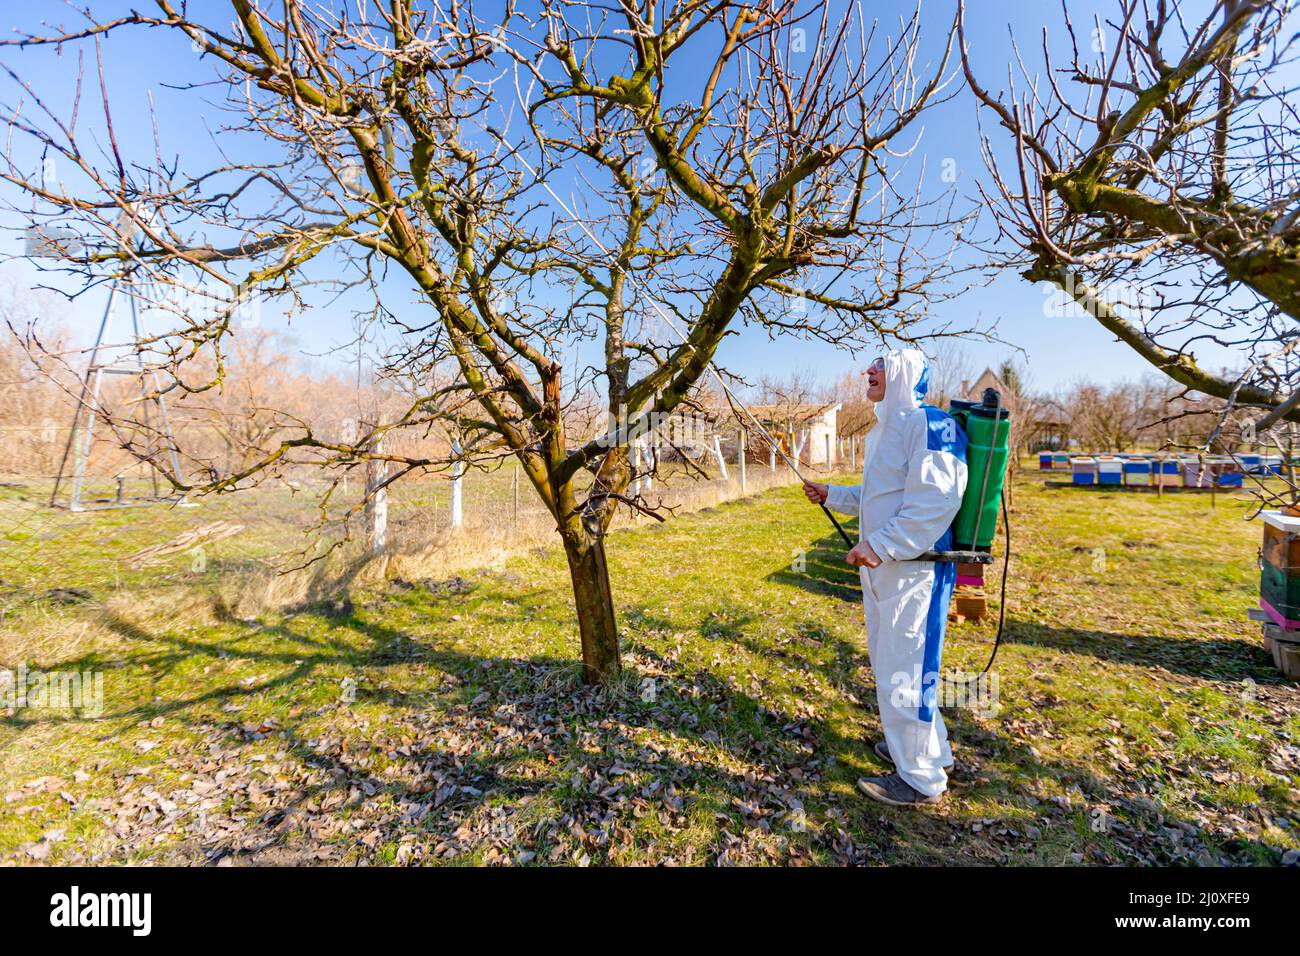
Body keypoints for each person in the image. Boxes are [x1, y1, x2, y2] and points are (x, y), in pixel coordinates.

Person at [802, 349, 967, 806]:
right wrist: (832, 494)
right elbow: (880, 497)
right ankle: (930, 752)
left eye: (879, 365)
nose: (867, 372)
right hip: (885, 572)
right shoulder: (885, 431)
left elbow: (937, 501)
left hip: (915, 571)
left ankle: (919, 779)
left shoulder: (930, 425)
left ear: (903, 373)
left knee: (907, 670)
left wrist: (879, 545)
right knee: (896, 666)